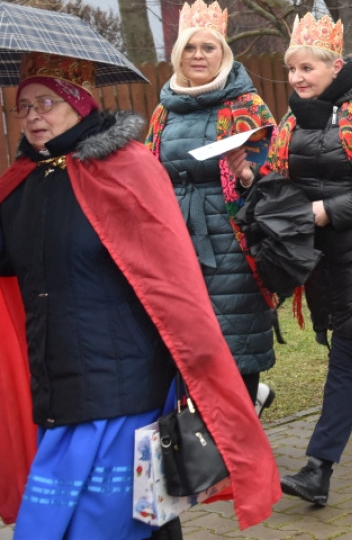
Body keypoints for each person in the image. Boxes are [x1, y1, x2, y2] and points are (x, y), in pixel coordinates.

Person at [0, 52, 279, 539]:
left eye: (47, 102)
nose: (33, 116)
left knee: (85, 528)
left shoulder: (126, 169)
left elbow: (170, 278)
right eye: (23, 107)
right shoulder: (22, 184)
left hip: (121, 386)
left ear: (79, 103)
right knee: (141, 522)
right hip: (56, 382)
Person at [231, 13, 352, 506]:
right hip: (316, 259)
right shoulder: (291, 120)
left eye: (306, 68)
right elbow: (278, 179)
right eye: (291, 69)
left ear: (334, 66)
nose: (296, 78)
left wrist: (327, 211)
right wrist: (252, 178)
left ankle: (319, 468)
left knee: (348, 350)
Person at [145, 0, 277, 415]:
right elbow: (149, 172)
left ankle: (243, 446)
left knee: (237, 348)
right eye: (190, 48)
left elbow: (277, 178)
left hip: (233, 246)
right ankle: (201, 450)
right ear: (177, 55)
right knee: (186, 349)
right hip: (177, 245)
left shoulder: (245, 105)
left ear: (224, 54)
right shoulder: (163, 111)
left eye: (208, 47)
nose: (198, 56)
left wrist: (248, 175)